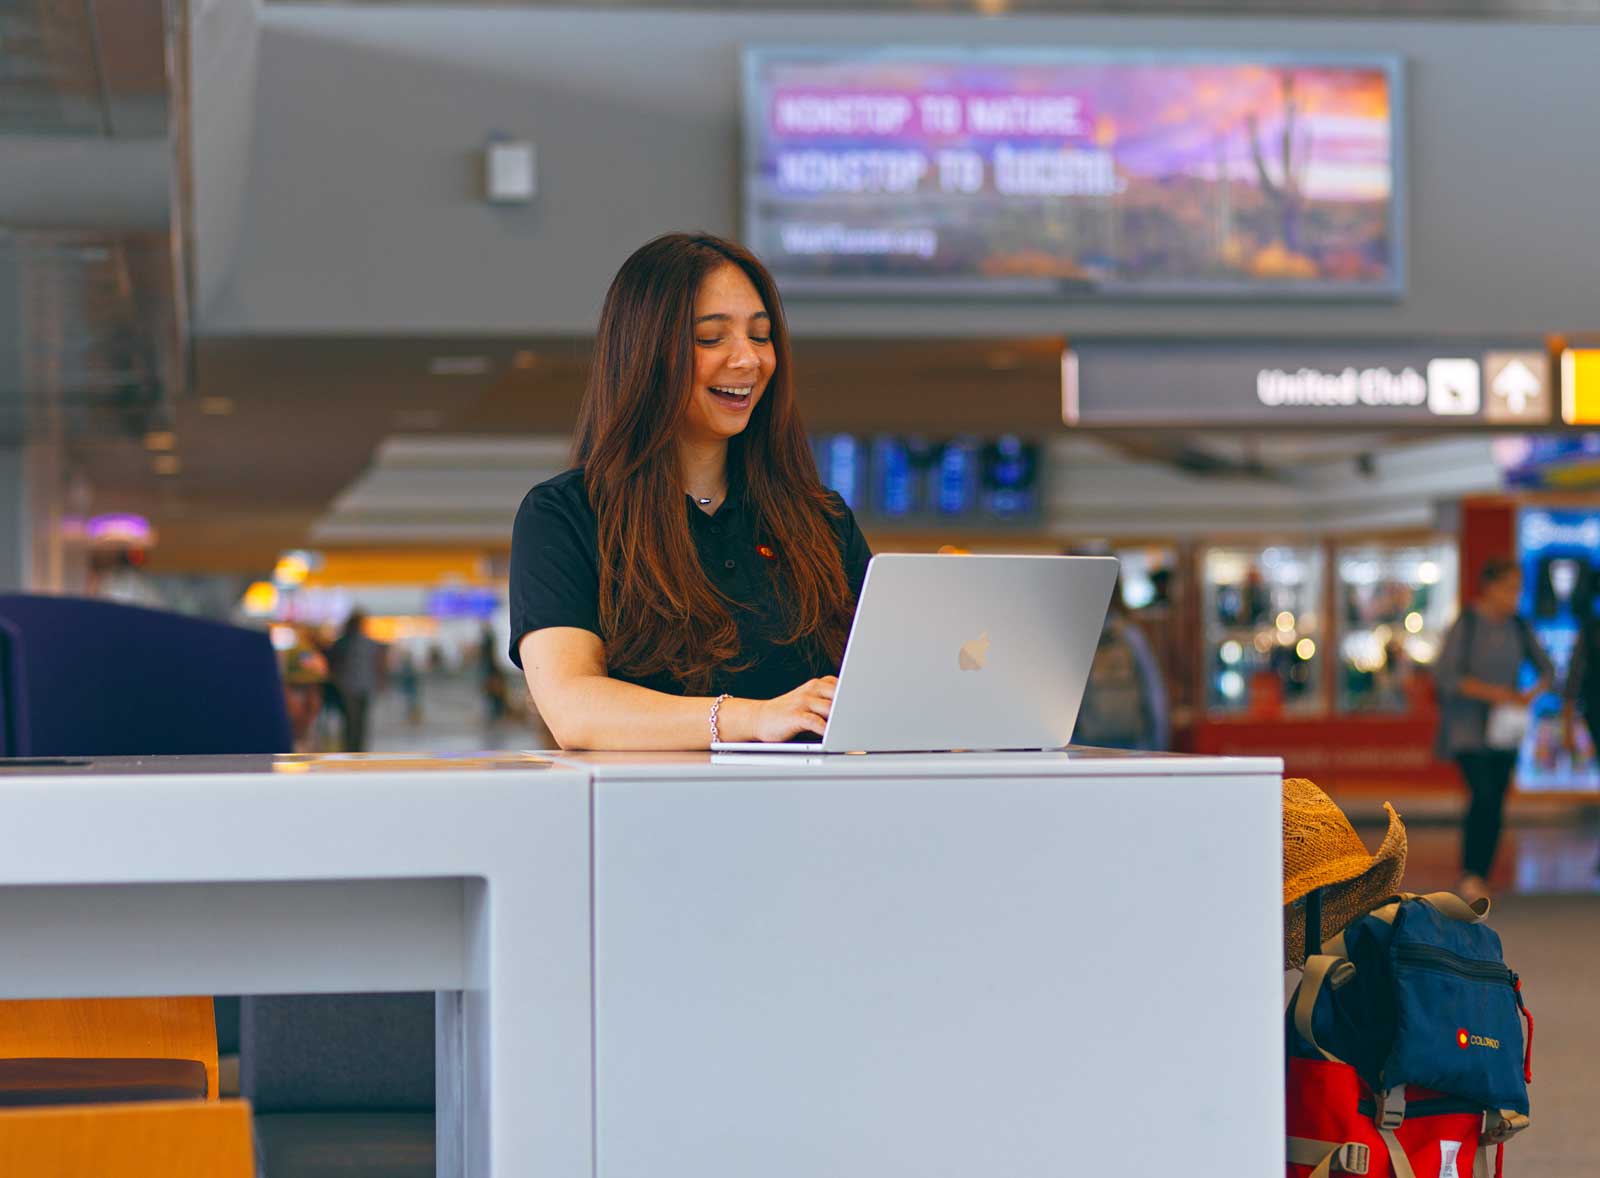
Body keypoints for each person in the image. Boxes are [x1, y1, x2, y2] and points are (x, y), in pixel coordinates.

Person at [508, 232, 871, 750]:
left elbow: (882, 684)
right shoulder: (566, 515)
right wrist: (754, 718)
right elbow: (574, 709)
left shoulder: (822, 520)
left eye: (761, 335)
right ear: (646, 353)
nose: (748, 360)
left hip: (816, 802)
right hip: (651, 803)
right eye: (711, 338)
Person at [1433, 559, 1553, 902]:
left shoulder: (1519, 626)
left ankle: (1481, 874)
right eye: (1509, 588)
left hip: (1504, 731)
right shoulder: (1468, 624)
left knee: (1496, 799)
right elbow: (1446, 677)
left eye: (1518, 588)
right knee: (1482, 794)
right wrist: (1491, 693)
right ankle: (1470, 873)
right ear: (1490, 587)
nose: (1515, 595)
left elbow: (1547, 669)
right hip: (1468, 730)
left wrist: (1525, 697)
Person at [1073, 583, 1169, 751]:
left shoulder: (1075, 635)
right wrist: (1158, 744)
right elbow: (1154, 694)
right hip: (1131, 744)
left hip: (1084, 743)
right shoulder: (1129, 634)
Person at [326, 609, 387, 752]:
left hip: (349, 686)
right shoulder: (366, 644)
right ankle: (355, 749)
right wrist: (380, 680)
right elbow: (378, 665)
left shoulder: (343, 642)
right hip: (358, 686)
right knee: (358, 721)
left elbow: (334, 665)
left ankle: (353, 749)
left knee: (352, 720)